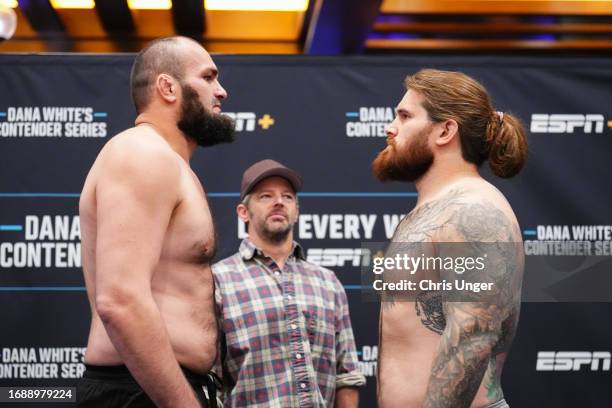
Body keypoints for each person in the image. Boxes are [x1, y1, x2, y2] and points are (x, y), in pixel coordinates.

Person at [77, 36, 235, 408]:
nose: (222, 91)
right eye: (209, 77)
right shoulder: (141, 153)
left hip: (156, 388)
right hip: (139, 393)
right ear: (167, 87)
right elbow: (120, 300)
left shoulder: (169, 163)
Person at [373, 69, 527, 408]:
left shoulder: (473, 210)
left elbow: (473, 336)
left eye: (404, 116)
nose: (390, 128)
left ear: (445, 130)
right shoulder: (439, 209)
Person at [213, 159, 365, 407]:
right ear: (243, 212)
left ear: (296, 210)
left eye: (288, 196)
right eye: (265, 196)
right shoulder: (219, 281)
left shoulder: (327, 283)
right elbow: (212, 380)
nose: (279, 202)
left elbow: (346, 375)